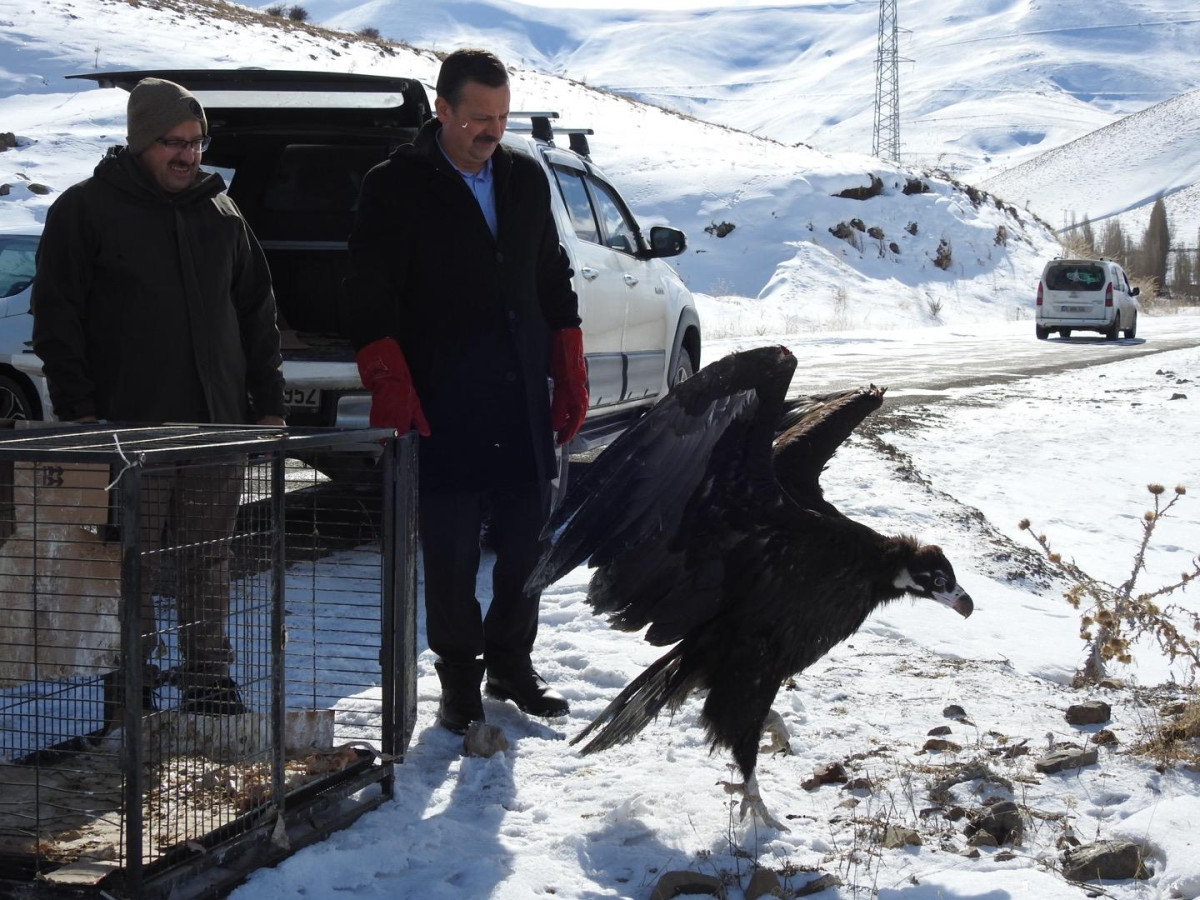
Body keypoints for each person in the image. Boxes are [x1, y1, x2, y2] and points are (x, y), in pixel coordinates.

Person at [345, 49, 588, 734]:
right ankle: (459, 680)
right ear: (443, 110)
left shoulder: (522, 176)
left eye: (502, 118)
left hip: (519, 395)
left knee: (526, 542)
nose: (492, 131)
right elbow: (368, 291)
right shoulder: (395, 186)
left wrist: (568, 367)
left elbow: (552, 274)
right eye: (479, 118)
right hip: (443, 400)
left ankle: (512, 661)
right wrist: (388, 376)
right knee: (450, 554)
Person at [31, 77, 286, 716]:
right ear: (140, 141)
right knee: (131, 560)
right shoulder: (86, 210)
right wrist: (80, 409)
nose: (188, 156)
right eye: (174, 143)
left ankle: (207, 676)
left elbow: (257, 311)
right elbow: (56, 316)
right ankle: (129, 678)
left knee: (208, 557)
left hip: (217, 424)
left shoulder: (221, 212)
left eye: (197, 143)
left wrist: (268, 400)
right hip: (127, 425)